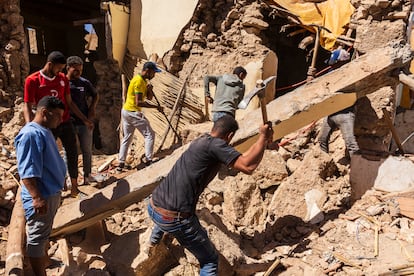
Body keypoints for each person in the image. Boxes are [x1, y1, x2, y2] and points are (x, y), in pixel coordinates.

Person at [147, 115, 273, 275]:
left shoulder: (202, 141)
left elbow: (240, 158)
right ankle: (159, 239)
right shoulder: (217, 146)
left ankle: (153, 242)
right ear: (230, 136)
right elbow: (248, 166)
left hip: (153, 206)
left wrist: (261, 142)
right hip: (173, 218)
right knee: (209, 260)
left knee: (169, 205)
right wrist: (263, 136)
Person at [23, 51, 93, 197]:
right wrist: (30, 126)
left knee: (72, 153)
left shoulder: (62, 79)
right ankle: (56, 188)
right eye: (59, 68)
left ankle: (74, 188)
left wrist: (84, 119)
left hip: (65, 122)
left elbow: (69, 102)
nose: (61, 71)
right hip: (47, 127)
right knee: (49, 156)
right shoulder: (33, 80)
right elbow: (27, 105)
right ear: (50, 64)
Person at [15, 96, 67, 276]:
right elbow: (28, 171)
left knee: (43, 233)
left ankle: (44, 261)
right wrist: (37, 198)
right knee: (37, 238)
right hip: (42, 195)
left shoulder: (44, 130)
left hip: (50, 192)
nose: (61, 120)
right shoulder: (31, 134)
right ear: (45, 112)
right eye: (58, 116)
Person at [117, 61, 163, 171]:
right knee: (150, 134)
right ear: (147, 71)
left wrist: (149, 90)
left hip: (126, 111)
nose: (154, 75)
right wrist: (156, 107)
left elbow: (149, 98)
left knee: (127, 137)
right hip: (133, 111)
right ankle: (148, 159)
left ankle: (121, 163)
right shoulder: (138, 82)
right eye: (153, 73)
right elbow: (139, 102)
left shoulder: (143, 81)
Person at [66, 56, 99, 185]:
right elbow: (71, 105)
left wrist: (92, 108)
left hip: (84, 122)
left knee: (87, 150)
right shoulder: (63, 83)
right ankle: (71, 178)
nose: (79, 73)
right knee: (70, 152)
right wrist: (85, 119)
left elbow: (95, 95)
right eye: (76, 70)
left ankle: (87, 175)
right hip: (69, 122)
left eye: (80, 70)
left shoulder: (84, 82)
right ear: (68, 68)